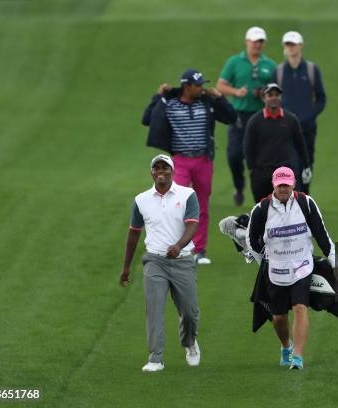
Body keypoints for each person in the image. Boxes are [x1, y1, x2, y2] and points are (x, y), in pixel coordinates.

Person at [142, 69, 237, 265]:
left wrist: (220, 99)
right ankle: (176, 247)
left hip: (203, 160)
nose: (202, 87)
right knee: (177, 204)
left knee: (201, 205)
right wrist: (158, 95)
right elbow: (146, 119)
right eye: (198, 85)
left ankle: (199, 250)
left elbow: (231, 118)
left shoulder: (207, 102)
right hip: (180, 161)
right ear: (187, 86)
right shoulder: (170, 103)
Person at [246, 167, 336, 369]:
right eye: (280, 185)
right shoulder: (261, 209)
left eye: (286, 184)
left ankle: (298, 357)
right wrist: (263, 259)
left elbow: (321, 233)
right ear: (274, 185)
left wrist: (334, 261)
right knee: (278, 317)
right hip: (275, 269)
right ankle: (286, 346)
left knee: (300, 308)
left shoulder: (306, 203)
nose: (283, 189)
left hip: (302, 265)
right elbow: (251, 240)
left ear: (293, 184)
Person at [120, 154, 201, 371]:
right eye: (157, 168)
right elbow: (134, 233)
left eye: (165, 168)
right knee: (154, 309)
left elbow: (193, 225)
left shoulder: (187, 195)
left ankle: (189, 342)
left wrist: (179, 245)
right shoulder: (141, 200)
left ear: (172, 172)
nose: (161, 172)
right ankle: (155, 358)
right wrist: (126, 266)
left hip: (182, 261)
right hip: (155, 261)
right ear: (151, 173)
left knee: (190, 311)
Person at [217, 26, 277, 206]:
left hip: (261, 117)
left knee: (259, 158)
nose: (257, 44)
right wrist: (236, 92)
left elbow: (277, 92)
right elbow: (221, 86)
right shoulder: (235, 62)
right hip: (238, 116)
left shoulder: (270, 65)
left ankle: (260, 195)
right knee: (234, 155)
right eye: (254, 41)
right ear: (247, 41)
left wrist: (265, 94)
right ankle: (239, 185)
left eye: (260, 41)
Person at [273, 31, 326, 194]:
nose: (290, 48)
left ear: (300, 46)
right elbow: (274, 98)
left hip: (307, 127)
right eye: (287, 44)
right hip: (285, 127)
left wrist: (311, 115)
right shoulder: (280, 71)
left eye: (293, 44)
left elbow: (321, 97)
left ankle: (305, 195)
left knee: (306, 162)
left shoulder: (311, 70)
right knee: (289, 162)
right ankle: (294, 196)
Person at [243, 83, 311, 203]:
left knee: (291, 208)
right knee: (263, 211)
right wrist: (252, 169)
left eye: (277, 95)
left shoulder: (291, 119)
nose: (274, 97)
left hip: (287, 172)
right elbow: (249, 147)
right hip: (263, 173)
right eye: (270, 95)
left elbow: (300, 144)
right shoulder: (255, 121)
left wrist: (306, 166)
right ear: (264, 98)